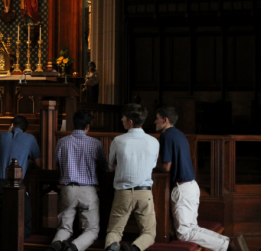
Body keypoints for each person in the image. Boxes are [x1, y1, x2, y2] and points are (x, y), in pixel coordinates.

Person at [154, 106, 238, 251]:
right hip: (192, 186)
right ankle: (228, 242)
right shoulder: (180, 134)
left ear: (165, 120)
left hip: (182, 189)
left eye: (157, 118)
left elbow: (167, 167)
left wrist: (151, 167)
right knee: (192, 228)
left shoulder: (166, 136)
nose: (155, 122)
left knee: (185, 233)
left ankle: (226, 246)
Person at [48, 111, 107, 251]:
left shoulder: (62, 142)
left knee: (64, 227)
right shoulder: (95, 143)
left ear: (72, 125)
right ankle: (73, 248)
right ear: (87, 127)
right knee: (91, 230)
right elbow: (104, 167)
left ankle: (55, 246)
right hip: (88, 190)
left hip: (68, 188)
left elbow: (57, 163)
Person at [105, 104, 159, 251]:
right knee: (149, 233)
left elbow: (110, 165)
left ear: (130, 122)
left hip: (123, 193)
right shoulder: (154, 142)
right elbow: (152, 165)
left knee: (114, 231)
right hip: (144, 193)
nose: (121, 119)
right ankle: (134, 249)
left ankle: (111, 247)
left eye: (123, 117)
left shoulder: (118, 140)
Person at [0, 115, 41, 238]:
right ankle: (16, 239)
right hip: (16, 186)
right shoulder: (30, 138)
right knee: (26, 220)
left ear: (12, 125)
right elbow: (40, 163)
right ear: (25, 129)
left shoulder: (0, 136)